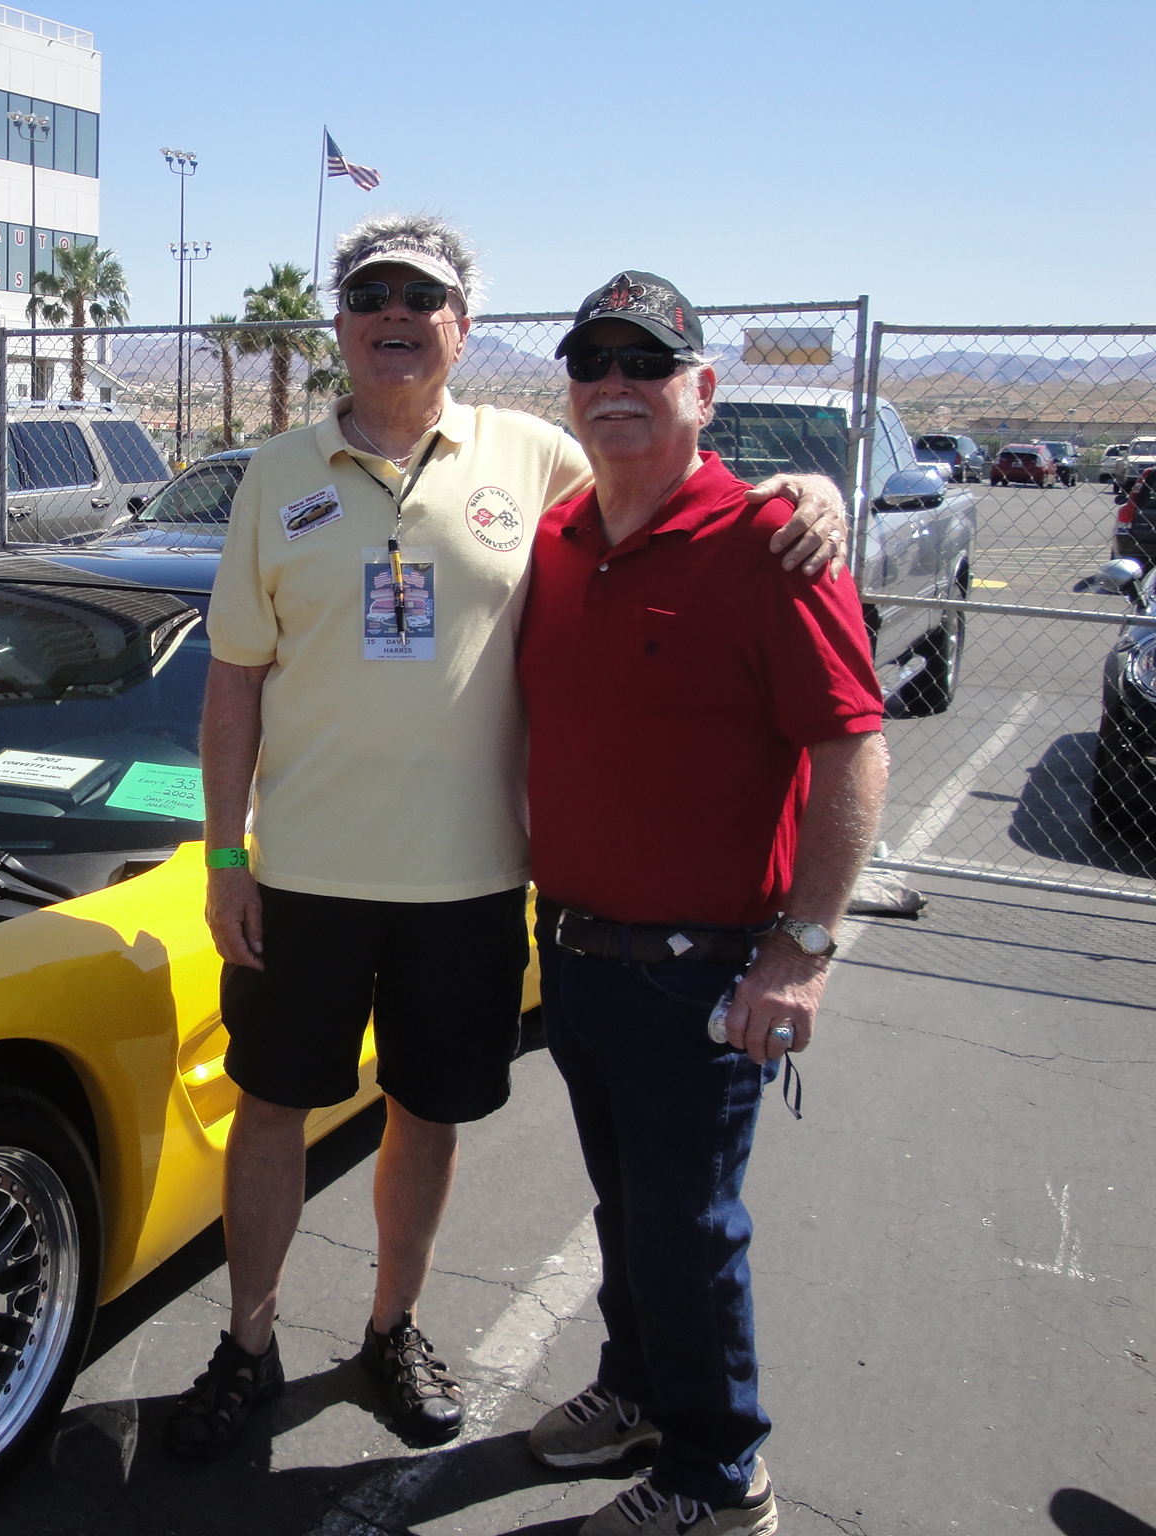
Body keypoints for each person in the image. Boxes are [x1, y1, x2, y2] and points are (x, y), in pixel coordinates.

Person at [166, 219, 849, 1459]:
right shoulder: (275, 474)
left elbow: (668, 484)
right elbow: (231, 685)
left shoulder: (532, 455)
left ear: (459, 328)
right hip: (301, 880)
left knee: (426, 1117)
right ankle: (248, 1343)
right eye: (365, 293)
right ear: (337, 323)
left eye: (418, 297)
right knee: (270, 1111)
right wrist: (223, 860)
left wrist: (802, 492)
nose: (391, 313)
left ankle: (391, 1330)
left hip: (472, 887)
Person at [517, 271, 888, 1533]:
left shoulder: (768, 543)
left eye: (645, 364)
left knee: (687, 1228)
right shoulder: (559, 538)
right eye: (593, 363)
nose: (614, 385)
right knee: (627, 1209)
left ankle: (718, 1476)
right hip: (571, 951)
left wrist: (802, 949)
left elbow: (850, 746)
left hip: (699, 972)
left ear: (700, 392)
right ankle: (634, 1394)